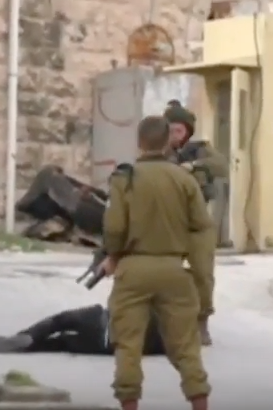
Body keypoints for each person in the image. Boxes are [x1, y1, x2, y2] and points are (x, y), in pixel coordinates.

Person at [100, 115, 212, 410]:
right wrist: (201, 279)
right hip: (174, 269)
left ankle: (130, 404)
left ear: (139, 142)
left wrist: (112, 257)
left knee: (128, 345)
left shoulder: (125, 178)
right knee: (186, 347)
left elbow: (114, 227)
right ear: (167, 143)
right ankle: (200, 402)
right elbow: (201, 230)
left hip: (133, 269)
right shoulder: (185, 180)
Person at [164, 104, 228, 346]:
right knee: (163, 273)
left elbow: (221, 165)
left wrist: (194, 165)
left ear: (188, 131)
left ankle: (202, 322)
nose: (175, 136)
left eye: (179, 131)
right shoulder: (160, 152)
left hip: (198, 225)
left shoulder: (201, 150)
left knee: (203, 275)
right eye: (170, 131)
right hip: (169, 223)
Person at [0, 304, 165, 356]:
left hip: (102, 319)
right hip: (106, 346)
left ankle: (28, 336)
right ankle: (29, 347)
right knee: (60, 343)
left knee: (60, 321)